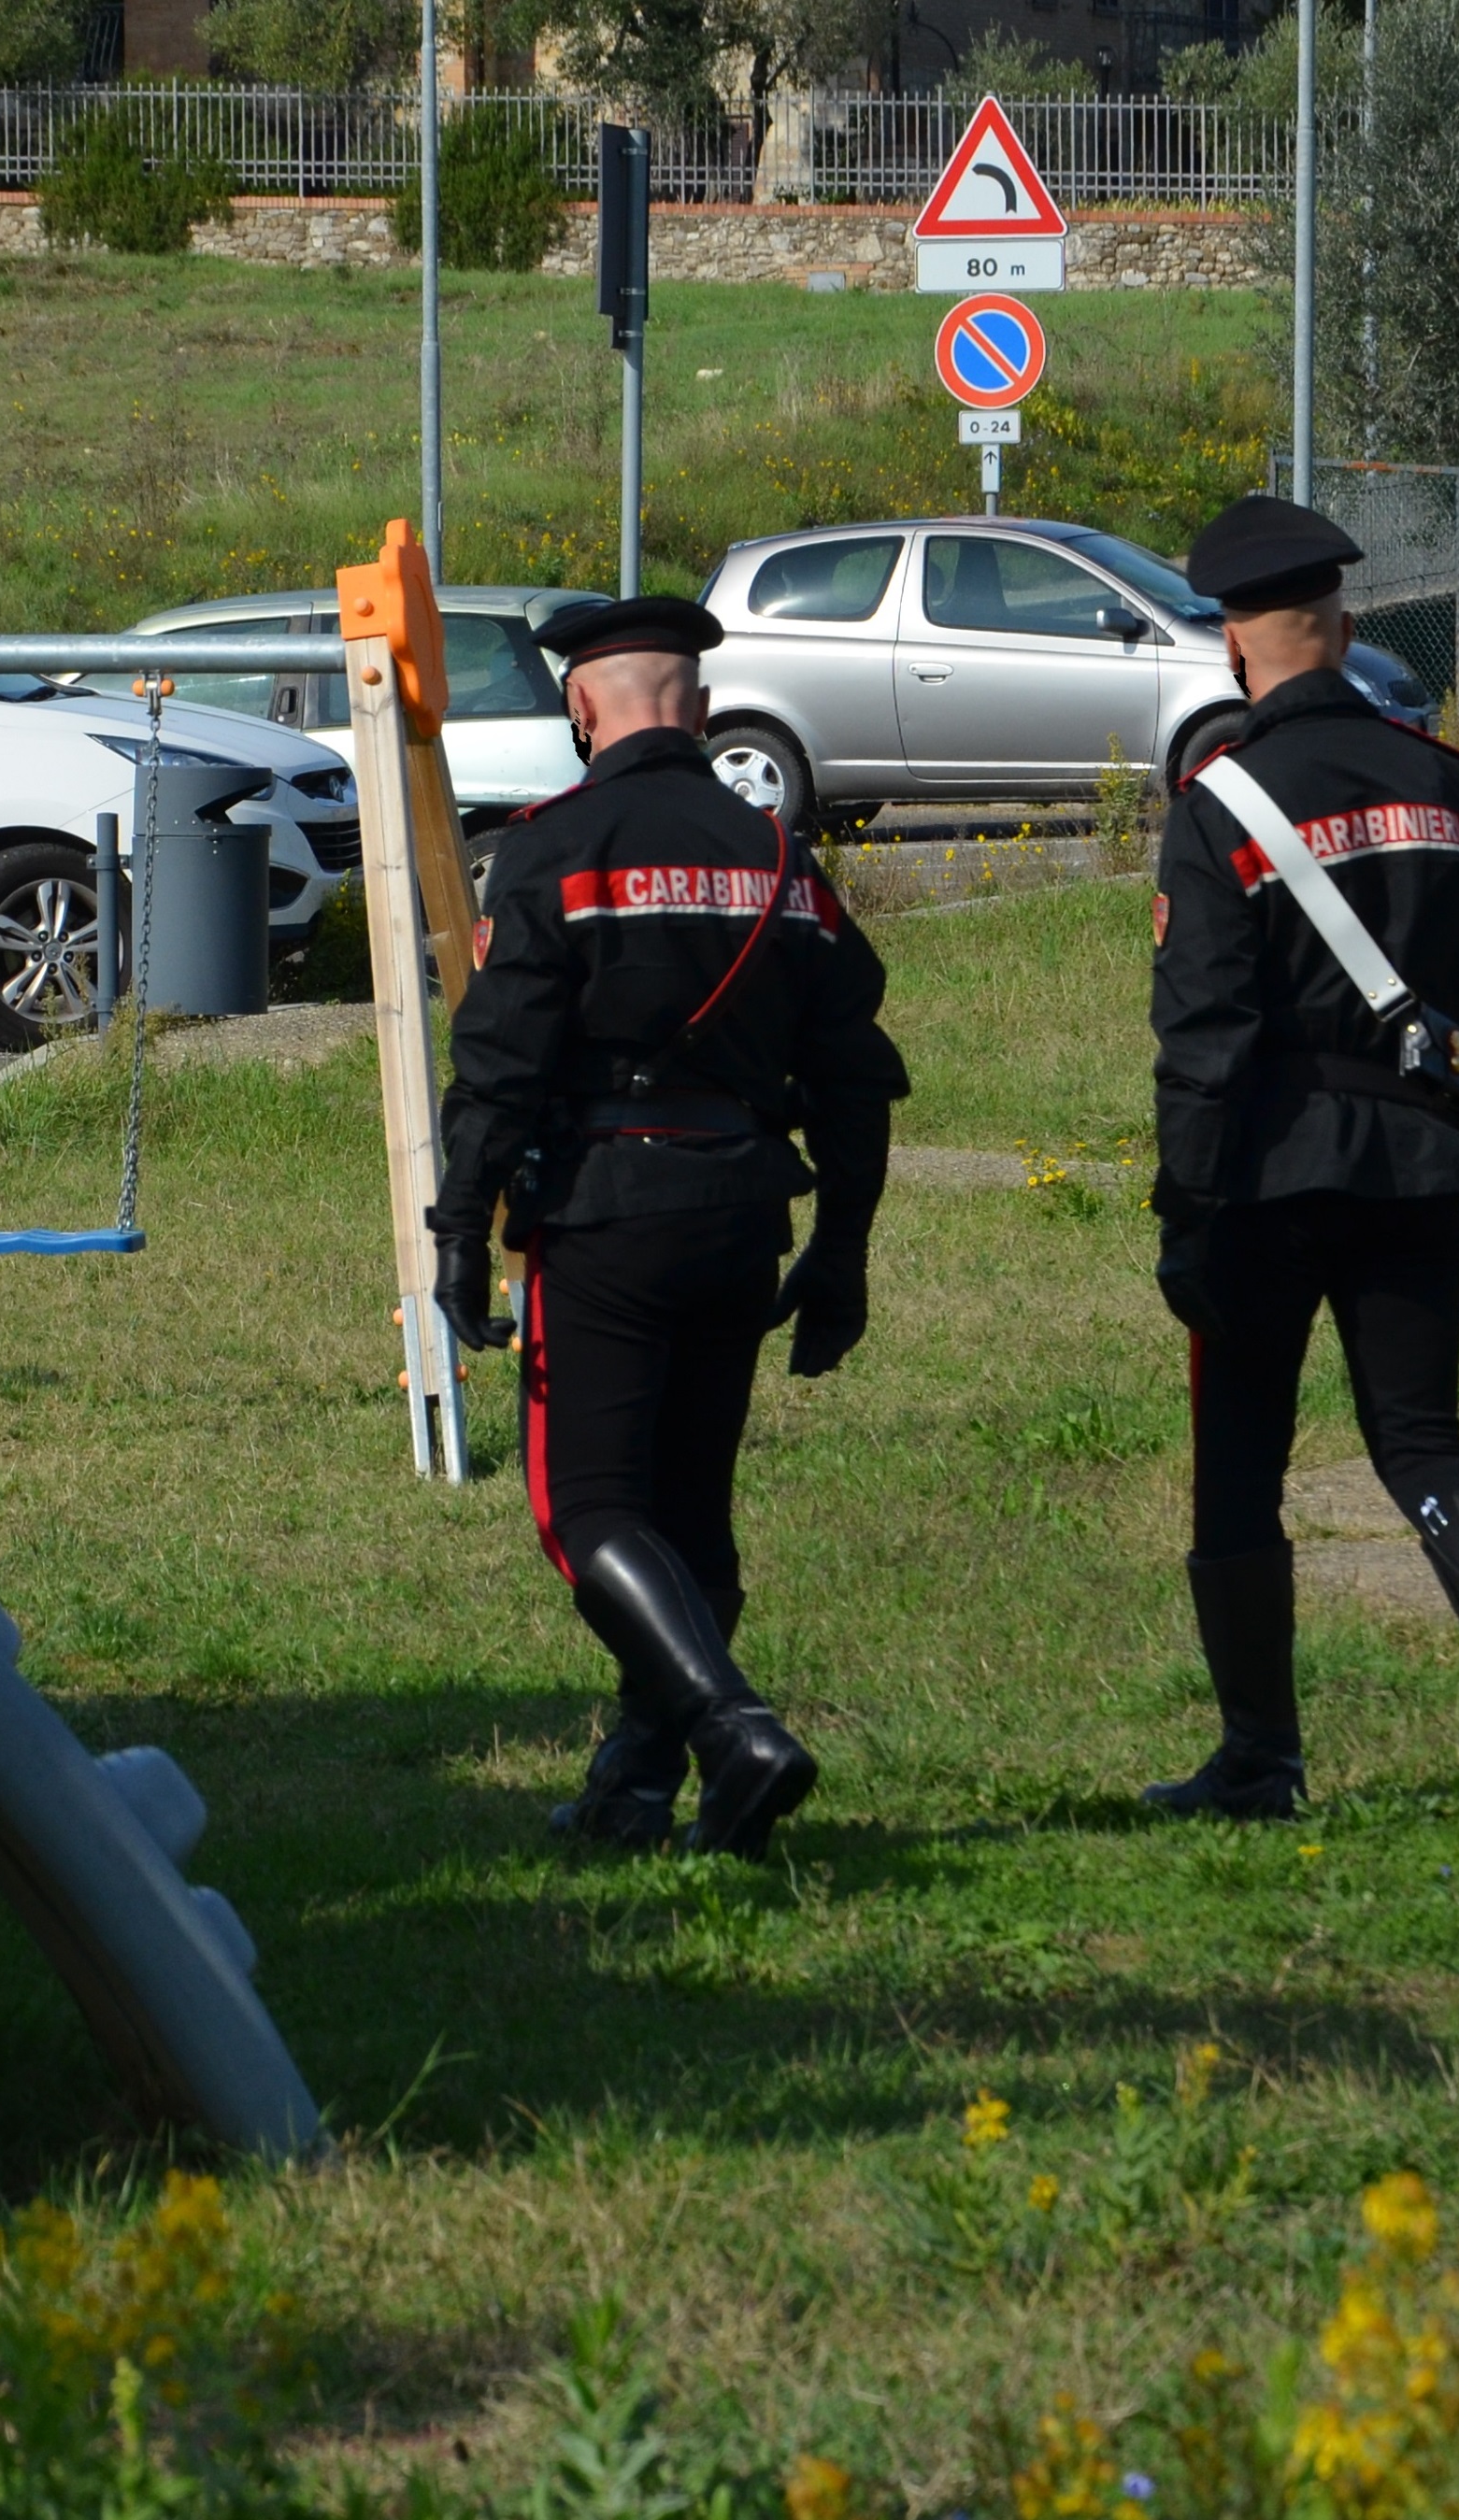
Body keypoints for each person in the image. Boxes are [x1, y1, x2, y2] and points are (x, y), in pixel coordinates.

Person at [429, 595, 908, 1860]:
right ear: (693, 710)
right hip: (742, 1211)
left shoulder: (553, 846)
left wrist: (456, 1233)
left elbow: (497, 1067)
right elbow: (855, 1075)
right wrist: (841, 1251)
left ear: (582, 707)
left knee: (581, 1508)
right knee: (692, 1518)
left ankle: (733, 1729)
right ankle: (634, 1783)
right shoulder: (778, 859)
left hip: (603, 1212)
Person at [1145, 493, 1459, 1828]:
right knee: (1422, 1443)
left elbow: (1203, 1036)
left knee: (1237, 1465)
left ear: (1235, 647)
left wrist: (1188, 1211)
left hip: (1268, 1178)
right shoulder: (1451, 783)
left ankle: (1260, 1757)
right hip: (1418, 1167)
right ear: (1340, 630)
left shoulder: (1217, 801)